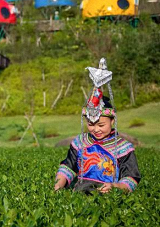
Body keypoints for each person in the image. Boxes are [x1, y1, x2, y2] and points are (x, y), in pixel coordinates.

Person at [54, 58, 140, 194]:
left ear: (112, 121)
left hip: (108, 193)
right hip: (80, 191)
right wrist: (59, 184)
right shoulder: (80, 142)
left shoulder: (124, 148)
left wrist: (115, 187)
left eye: (101, 125)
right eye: (91, 124)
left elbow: (131, 177)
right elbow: (68, 166)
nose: (96, 129)